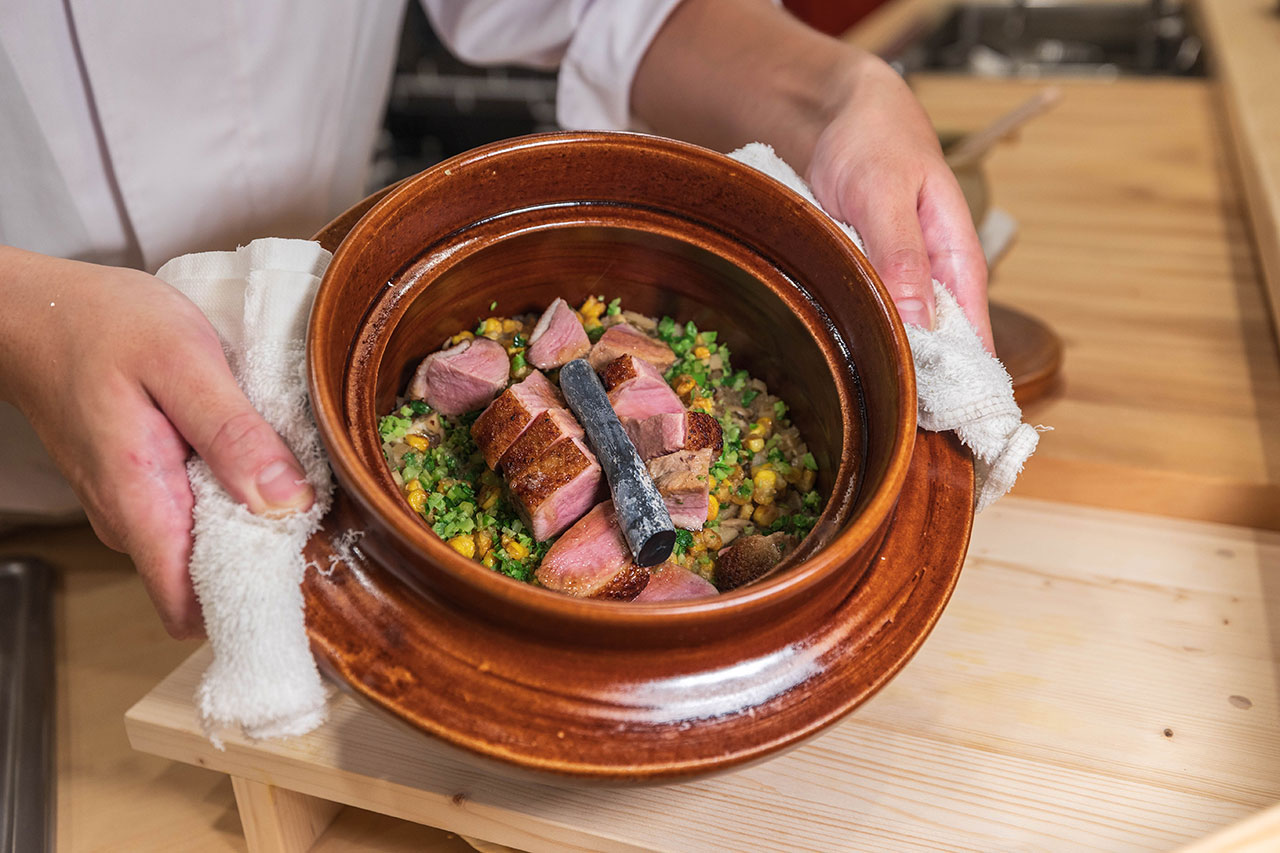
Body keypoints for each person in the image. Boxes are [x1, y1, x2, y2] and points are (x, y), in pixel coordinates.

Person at [0, 0, 989, 638]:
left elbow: (623, 11)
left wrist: (838, 89)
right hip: (26, 494)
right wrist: (24, 321)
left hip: (315, 389)